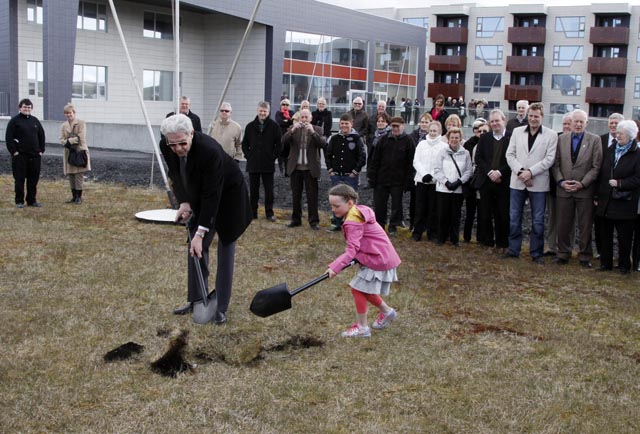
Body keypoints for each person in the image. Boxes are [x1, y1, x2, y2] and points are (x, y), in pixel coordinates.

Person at [160, 114, 252, 324]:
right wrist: (184, 202)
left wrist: (201, 232)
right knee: (194, 248)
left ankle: (220, 307)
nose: (178, 148)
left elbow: (213, 195)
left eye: (183, 143)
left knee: (225, 248)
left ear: (192, 134)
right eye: (173, 144)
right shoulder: (167, 144)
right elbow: (175, 172)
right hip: (201, 194)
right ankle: (196, 299)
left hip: (229, 196)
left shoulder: (209, 151)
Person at [326, 184, 400, 338]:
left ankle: (362, 328)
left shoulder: (353, 220)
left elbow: (351, 249)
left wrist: (335, 268)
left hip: (378, 258)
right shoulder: (358, 211)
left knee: (357, 289)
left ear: (350, 203)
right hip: (379, 255)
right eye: (331, 205)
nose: (333, 209)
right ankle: (388, 312)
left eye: (336, 206)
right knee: (363, 289)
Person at [504, 102, 558, 263]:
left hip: (538, 182)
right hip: (517, 181)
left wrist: (531, 172)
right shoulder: (517, 131)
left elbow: (549, 159)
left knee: (538, 220)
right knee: (514, 217)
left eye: (536, 116)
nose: (533, 119)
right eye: (531, 116)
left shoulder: (551, 135)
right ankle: (513, 250)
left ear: (542, 117)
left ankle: (536, 253)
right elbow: (510, 155)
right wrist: (521, 172)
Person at [552, 109, 602, 268]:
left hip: (584, 191)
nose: (578, 124)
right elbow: (555, 164)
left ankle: (585, 256)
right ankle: (563, 254)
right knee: (563, 224)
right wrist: (561, 182)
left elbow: (596, 167)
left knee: (585, 225)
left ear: (586, 123)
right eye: (576, 121)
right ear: (571, 122)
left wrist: (582, 183)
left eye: (582, 122)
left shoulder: (595, 140)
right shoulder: (561, 139)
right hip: (564, 189)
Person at [595, 120, 640, 274]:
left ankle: (624, 265)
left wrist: (620, 183)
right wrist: (597, 194)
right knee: (605, 234)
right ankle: (605, 263)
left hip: (625, 202)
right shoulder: (610, 150)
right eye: (617, 132)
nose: (617, 135)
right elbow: (601, 173)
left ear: (630, 135)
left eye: (621, 133)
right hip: (606, 200)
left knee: (624, 237)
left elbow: (638, 179)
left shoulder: (637, 153)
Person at [367, 116, 416, 235]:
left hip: (398, 181)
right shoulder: (383, 140)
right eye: (393, 126)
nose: (395, 128)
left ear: (403, 126)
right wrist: (372, 178)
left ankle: (393, 226)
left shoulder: (409, 141)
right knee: (379, 206)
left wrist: (408, 181)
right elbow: (375, 160)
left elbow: (411, 163)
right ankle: (379, 226)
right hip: (381, 179)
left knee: (396, 206)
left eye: (397, 126)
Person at [281, 109, 326, 230]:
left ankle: (314, 221)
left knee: (312, 196)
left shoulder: (317, 129)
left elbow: (322, 144)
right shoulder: (293, 128)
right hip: (295, 168)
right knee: (296, 195)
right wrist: (292, 130)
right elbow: (283, 141)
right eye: (302, 117)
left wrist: (312, 133)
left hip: (310, 168)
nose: (304, 119)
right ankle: (296, 219)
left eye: (306, 117)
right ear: (299, 118)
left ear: (311, 118)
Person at [473, 110, 511, 251]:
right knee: (485, 213)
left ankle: (502, 243)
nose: (495, 123)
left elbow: (514, 158)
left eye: (497, 121)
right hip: (486, 181)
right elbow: (479, 158)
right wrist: (490, 172)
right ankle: (488, 242)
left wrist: (500, 172)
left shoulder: (511, 137)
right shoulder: (485, 138)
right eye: (492, 121)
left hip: (503, 182)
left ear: (504, 120)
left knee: (503, 214)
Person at [242, 101, 282, 222]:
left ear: (268, 112)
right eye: (261, 111)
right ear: (257, 111)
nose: (263, 113)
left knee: (269, 190)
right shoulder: (250, 126)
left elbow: (279, 145)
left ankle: (269, 213)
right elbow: (245, 144)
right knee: (253, 190)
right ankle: (252, 213)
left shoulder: (274, 126)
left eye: (265, 111)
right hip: (253, 163)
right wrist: (248, 156)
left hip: (267, 164)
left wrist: (272, 157)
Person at [325, 114, 367, 231]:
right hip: (336, 176)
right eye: (342, 123)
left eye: (346, 123)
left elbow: (362, 157)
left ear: (351, 124)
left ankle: (352, 224)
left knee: (350, 201)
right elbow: (328, 155)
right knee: (336, 200)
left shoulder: (357, 138)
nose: (344, 126)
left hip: (351, 176)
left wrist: (355, 171)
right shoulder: (335, 138)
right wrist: (330, 170)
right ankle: (336, 223)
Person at [433, 127, 472, 246]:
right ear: (448, 139)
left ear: (460, 139)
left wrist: (459, 182)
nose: (454, 140)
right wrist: (446, 182)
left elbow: (469, 171)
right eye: (452, 138)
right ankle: (441, 238)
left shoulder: (466, 153)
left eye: (457, 137)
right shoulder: (442, 152)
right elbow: (437, 169)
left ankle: (455, 239)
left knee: (456, 215)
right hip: (443, 189)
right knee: (442, 214)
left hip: (458, 190)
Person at [5, 98, 46, 208]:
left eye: (29, 107)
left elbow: (41, 136)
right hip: (20, 156)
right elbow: (9, 138)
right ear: (20, 108)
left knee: (33, 179)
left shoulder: (35, 121)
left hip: (35, 156)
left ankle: (31, 200)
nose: (27, 109)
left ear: (31, 109)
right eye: (25, 107)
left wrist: (41, 150)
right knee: (19, 179)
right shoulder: (14, 121)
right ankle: (19, 201)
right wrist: (14, 152)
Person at [545, 112, 575, 256]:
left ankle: (567, 247)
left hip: (573, 187)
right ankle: (551, 246)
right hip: (554, 186)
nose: (567, 126)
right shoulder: (555, 138)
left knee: (569, 220)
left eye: (570, 123)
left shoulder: (580, 141)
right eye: (565, 124)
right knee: (553, 218)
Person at [595, 113, 624, 257]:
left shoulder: (625, 143)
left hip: (619, 190)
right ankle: (602, 253)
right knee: (600, 224)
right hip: (601, 190)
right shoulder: (600, 139)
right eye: (611, 122)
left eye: (616, 123)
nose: (613, 125)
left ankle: (619, 255)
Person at [412, 120, 446, 241]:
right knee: (420, 208)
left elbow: (443, 164)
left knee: (433, 209)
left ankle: (432, 233)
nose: (432, 133)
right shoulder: (422, 144)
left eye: (435, 131)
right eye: (431, 130)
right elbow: (416, 161)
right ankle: (417, 233)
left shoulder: (444, 146)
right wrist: (424, 174)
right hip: (421, 181)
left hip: (435, 183)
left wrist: (433, 176)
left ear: (440, 132)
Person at [462, 119, 488, 244]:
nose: (480, 132)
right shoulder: (469, 144)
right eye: (478, 130)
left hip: (484, 181)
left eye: (483, 130)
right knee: (470, 210)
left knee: (483, 211)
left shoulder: (489, 143)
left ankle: (481, 237)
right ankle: (467, 236)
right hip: (472, 181)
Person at [59, 103, 91, 204]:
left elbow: (80, 137)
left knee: (79, 175)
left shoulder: (81, 123)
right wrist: (66, 142)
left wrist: (69, 141)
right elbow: (61, 139)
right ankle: (74, 196)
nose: (69, 115)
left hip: (79, 151)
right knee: (71, 175)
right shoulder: (63, 126)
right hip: (69, 152)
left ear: (74, 113)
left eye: (70, 113)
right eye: (67, 113)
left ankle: (79, 197)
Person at [275, 98, 295, 176]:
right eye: (283, 104)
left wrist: (287, 121)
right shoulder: (278, 113)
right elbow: (279, 121)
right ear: (281, 106)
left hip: (289, 136)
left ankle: (287, 171)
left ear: (289, 106)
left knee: (288, 154)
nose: (285, 106)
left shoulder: (292, 112)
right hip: (280, 135)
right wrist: (287, 122)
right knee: (281, 153)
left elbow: (292, 122)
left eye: (287, 105)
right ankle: (281, 170)